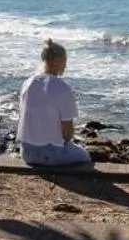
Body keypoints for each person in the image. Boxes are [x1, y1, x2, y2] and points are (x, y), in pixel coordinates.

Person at [16, 38, 92, 168]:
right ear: (58, 60)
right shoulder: (62, 88)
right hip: (51, 154)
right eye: (64, 61)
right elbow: (67, 133)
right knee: (85, 156)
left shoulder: (27, 83)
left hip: (26, 152)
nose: (65, 66)